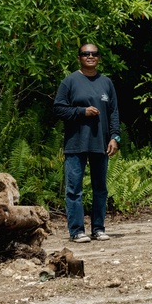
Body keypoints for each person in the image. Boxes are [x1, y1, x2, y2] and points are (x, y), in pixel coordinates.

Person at [53, 43, 121, 243]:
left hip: (101, 142)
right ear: (79, 58)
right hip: (76, 143)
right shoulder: (70, 81)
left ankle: (98, 228)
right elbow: (58, 108)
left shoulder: (106, 82)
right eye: (85, 54)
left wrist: (115, 137)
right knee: (74, 189)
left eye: (94, 54)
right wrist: (81, 111)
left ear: (98, 58)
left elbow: (114, 112)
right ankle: (76, 231)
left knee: (100, 188)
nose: (90, 56)